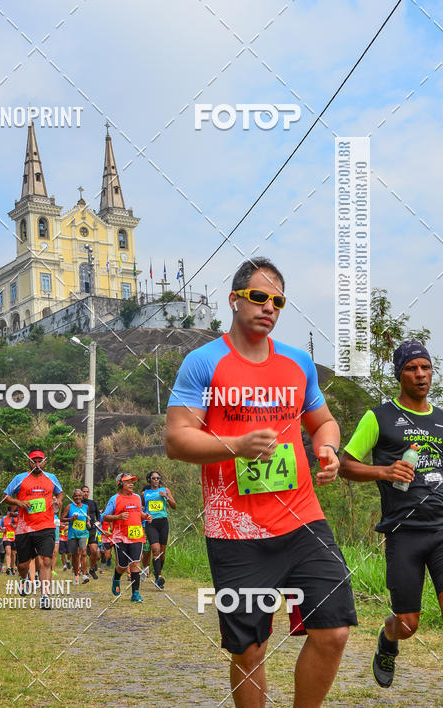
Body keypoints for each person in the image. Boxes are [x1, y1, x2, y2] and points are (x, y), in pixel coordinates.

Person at [165, 257, 357, 708]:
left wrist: (327, 449)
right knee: (249, 648)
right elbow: (177, 439)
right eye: (259, 297)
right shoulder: (203, 363)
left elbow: (323, 421)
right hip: (236, 531)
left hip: (303, 520)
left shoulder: (297, 363)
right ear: (234, 300)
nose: (269, 306)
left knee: (333, 630)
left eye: (278, 301)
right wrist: (236, 445)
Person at [340, 340, 443, 688]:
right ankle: (388, 637)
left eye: (425, 368)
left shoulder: (442, 419)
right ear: (399, 373)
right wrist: (384, 472)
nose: (420, 375)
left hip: (441, 529)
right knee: (408, 624)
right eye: (412, 368)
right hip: (404, 532)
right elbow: (346, 466)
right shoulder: (379, 417)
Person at [3, 449, 63, 610]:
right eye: (34, 461)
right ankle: (23, 580)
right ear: (29, 462)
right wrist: (19, 502)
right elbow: (5, 497)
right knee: (23, 565)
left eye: (40, 461)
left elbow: (60, 492)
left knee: (46, 560)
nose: (37, 464)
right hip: (24, 529)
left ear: (44, 462)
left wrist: (58, 501)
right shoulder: (20, 478)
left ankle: (45, 596)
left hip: (46, 526)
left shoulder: (51, 478)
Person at [101, 473, 152, 603]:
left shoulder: (137, 498)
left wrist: (145, 516)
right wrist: (118, 517)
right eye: (128, 481)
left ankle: (135, 594)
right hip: (120, 537)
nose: (131, 484)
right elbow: (105, 517)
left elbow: (137, 513)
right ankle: (116, 577)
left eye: (132, 481)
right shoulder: (115, 499)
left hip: (136, 535)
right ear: (120, 484)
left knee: (135, 563)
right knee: (122, 565)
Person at [141, 471, 176, 589]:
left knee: (162, 553)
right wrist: (143, 517)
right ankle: (158, 577)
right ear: (149, 480)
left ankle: (157, 572)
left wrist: (166, 497)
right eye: (153, 478)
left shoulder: (165, 490)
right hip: (151, 523)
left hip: (163, 522)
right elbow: (141, 509)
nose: (156, 480)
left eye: (158, 478)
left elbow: (174, 505)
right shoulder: (145, 493)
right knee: (155, 550)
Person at [62, 489, 90, 584]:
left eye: (79, 496)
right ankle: (76, 574)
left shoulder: (86, 507)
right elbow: (62, 518)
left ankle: (85, 574)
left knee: (84, 552)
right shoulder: (70, 506)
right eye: (76, 496)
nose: (78, 497)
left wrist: (88, 523)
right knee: (75, 555)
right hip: (72, 534)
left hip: (83, 533)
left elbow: (87, 518)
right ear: (73, 497)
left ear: (82, 497)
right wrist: (71, 519)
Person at [81, 484, 101, 579]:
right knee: (83, 552)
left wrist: (98, 522)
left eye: (87, 491)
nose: (85, 493)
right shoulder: (78, 503)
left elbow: (98, 514)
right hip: (81, 529)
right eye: (84, 491)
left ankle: (92, 569)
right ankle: (84, 573)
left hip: (92, 529)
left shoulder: (93, 503)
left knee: (94, 552)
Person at [2, 509, 18, 575]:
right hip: (6, 537)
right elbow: (1, 527)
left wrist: (12, 525)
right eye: (8, 512)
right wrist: (2, 530)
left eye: (11, 512)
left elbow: (17, 527)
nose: (9, 513)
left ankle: (12, 567)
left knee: (13, 554)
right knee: (8, 552)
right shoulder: (4, 518)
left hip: (14, 537)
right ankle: (8, 568)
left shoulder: (15, 518)